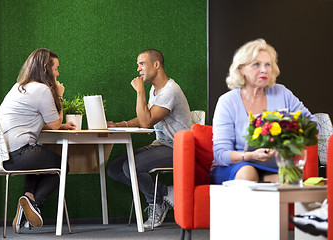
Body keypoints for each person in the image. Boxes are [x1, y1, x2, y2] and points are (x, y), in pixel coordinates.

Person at [210, 38, 320, 184]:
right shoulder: (227, 101)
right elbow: (220, 154)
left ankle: (262, 179)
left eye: (268, 64)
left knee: (288, 178)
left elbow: (314, 125)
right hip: (235, 166)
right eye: (256, 64)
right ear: (241, 69)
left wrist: (288, 137)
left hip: (273, 166)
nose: (264, 69)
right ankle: (259, 180)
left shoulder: (282, 93)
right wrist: (250, 156)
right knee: (248, 172)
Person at [107, 49, 192, 228]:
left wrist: (140, 92)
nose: (138, 68)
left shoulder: (170, 90)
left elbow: (146, 122)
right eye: (138, 64)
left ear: (156, 64)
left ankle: (156, 203)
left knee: (131, 166)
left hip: (179, 148)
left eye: (142, 63)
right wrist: (120, 124)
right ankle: (165, 192)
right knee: (115, 169)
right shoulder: (156, 89)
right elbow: (146, 116)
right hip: (162, 144)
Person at [0, 48, 76, 234]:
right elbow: (55, 124)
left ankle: (28, 197)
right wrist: (59, 94)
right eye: (55, 68)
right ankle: (33, 203)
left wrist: (59, 125)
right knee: (63, 165)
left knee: (37, 155)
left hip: (3, 155)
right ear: (46, 68)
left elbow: (40, 122)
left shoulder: (18, 86)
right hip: (20, 154)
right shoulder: (42, 90)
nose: (57, 73)